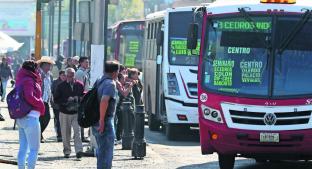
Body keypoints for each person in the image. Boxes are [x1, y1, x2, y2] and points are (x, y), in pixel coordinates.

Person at [15, 60, 45, 169]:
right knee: (34, 149)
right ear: (33, 69)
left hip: (21, 117)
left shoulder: (21, 78)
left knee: (23, 147)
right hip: (31, 117)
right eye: (37, 68)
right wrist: (41, 104)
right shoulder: (29, 80)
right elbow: (29, 96)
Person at [92, 61, 119, 169]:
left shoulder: (99, 80)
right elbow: (104, 101)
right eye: (117, 72)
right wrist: (102, 121)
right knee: (106, 154)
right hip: (105, 121)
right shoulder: (110, 84)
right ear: (114, 72)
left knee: (101, 151)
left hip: (96, 120)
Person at [54, 68, 84, 159]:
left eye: (72, 76)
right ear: (66, 76)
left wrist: (77, 98)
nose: (71, 78)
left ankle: (79, 151)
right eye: (69, 76)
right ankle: (67, 151)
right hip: (64, 112)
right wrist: (66, 100)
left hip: (76, 112)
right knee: (66, 133)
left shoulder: (79, 85)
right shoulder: (60, 86)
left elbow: (83, 96)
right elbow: (56, 99)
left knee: (77, 132)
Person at [37, 56, 55, 143]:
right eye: (48, 65)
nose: (49, 67)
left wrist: (51, 98)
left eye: (50, 65)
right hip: (39, 100)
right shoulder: (38, 74)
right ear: (43, 65)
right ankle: (38, 135)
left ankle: (39, 133)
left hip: (46, 100)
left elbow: (49, 88)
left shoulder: (50, 75)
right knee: (40, 118)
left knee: (47, 118)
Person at [75, 56, 90, 143]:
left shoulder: (84, 72)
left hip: (85, 96)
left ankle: (82, 135)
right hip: (82, 98)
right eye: (86, 62)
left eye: (88, 62)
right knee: (81, 116)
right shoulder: (80, 73)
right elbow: (80, 87)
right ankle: (81, 136)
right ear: (80, 63)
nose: (87, 64)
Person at [51, 70, 66, 142]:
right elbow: (53, 92)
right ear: (59, 75)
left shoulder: (67, 82)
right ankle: (59, 135)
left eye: (65, 75)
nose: (64, 76)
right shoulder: (55, 82)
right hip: (56, 105)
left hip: (65, 105)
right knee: (58, 120)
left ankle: (63, 134)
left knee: (64, 120)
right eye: (63, 75)